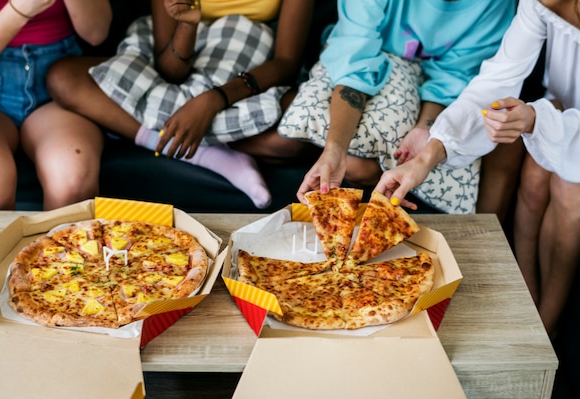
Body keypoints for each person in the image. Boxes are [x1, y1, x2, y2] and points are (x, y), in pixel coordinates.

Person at [376, 0, 580, 337]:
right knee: (532, 181)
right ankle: (523, 301)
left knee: (568, 190)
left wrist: (533, 119)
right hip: (562, 102)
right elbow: (497, 81)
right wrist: (426, 157)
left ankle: (547, 328)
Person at [238, 0, 516, 215]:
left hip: (425, 82)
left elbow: (453, 76)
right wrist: (335, 149)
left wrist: (424, 127)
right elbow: (355, 58)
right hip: (359, 59)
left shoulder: (494, 8)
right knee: (292, 142)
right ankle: (210, 152)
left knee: (363, 169)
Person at [47, 0, 315, 210]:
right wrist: (187, 26)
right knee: (63, 78)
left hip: (249, 67)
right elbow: (171, 73)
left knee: (296, 138)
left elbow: (286, 64)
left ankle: (166, 133)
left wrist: (213, 100)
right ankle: (210, 153)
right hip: (183, 63)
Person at [0, 0, 112, 255]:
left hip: (57, 83)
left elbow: (97, 33)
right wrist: (20, 9)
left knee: (71, 176)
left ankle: (62, 290)